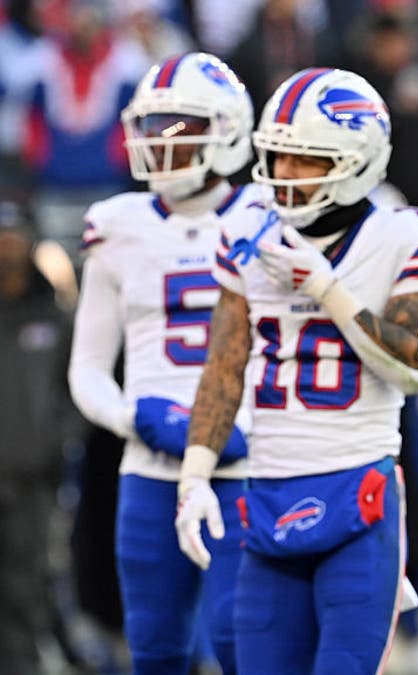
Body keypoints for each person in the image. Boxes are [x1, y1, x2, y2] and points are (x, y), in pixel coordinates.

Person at [175, 66, 418, 674]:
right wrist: (194, 476)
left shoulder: (409, 235)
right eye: (278, 159)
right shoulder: (248, 230)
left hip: (360, 493)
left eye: (307, 162)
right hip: (267, 491)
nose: (284, 177)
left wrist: (327, 290)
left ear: (358, 161)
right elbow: (223, 367)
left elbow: (412, 370)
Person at [66, 52, 256, 675]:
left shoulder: (268, 217)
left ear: (227, 130)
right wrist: (135, 418)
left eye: (177, 127)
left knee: (241, 643)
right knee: (154, 649)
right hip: (147, 469)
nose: (157, 143)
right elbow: (88, 364)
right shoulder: (117, 225)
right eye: (149, 126)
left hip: (248, 463)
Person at [0, 200, 74, 674]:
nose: (5, 248)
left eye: (13, 237)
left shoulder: (54, 317)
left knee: (26, 585)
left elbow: (79, 391)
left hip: (28, 479)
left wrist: (52, 444)